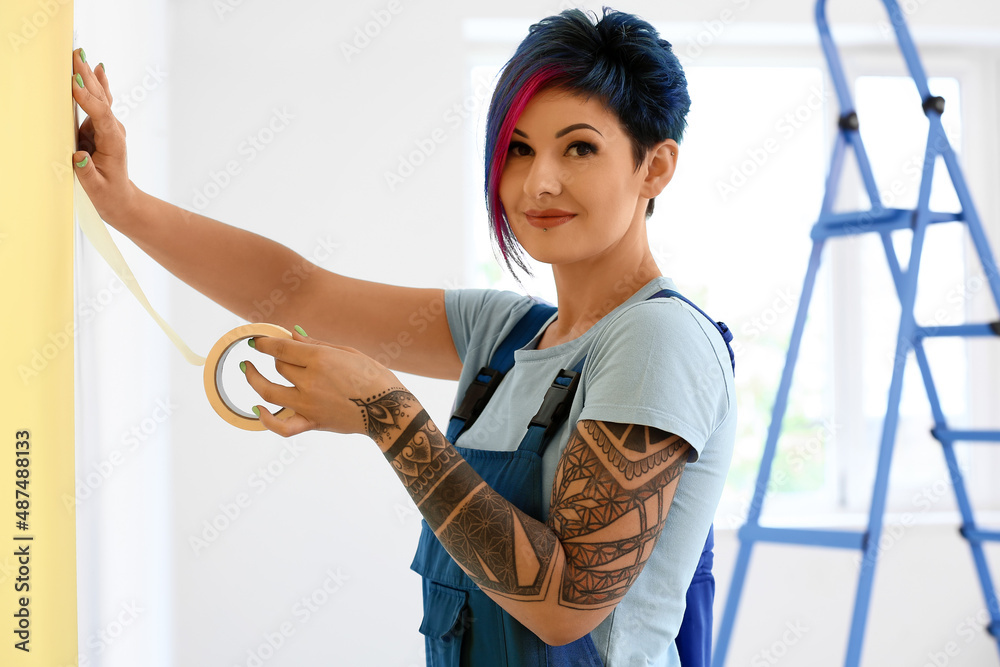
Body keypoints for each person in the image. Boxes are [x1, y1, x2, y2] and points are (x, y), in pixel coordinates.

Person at [71, 6, 736, 666]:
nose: (540, 181)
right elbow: (300, 292)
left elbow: (565, 603)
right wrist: (124, 203)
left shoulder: (658, 338)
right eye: (519, 149)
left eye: (580, 147)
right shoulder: (507, 337)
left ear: (654, 167)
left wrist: (387, 416)